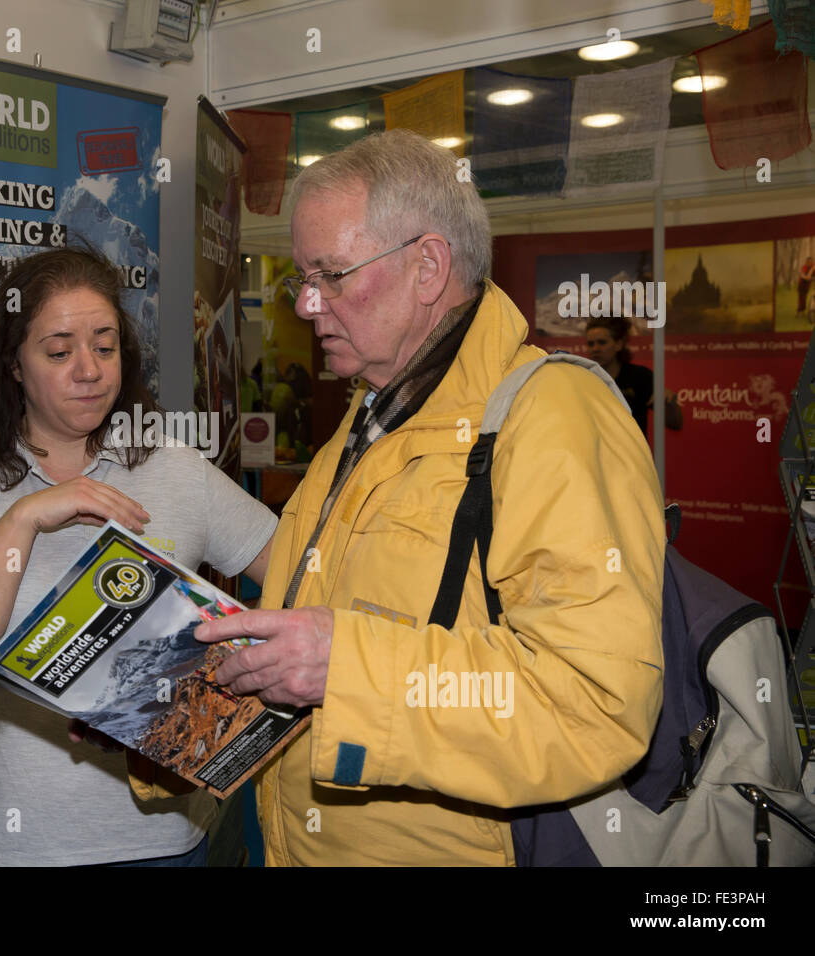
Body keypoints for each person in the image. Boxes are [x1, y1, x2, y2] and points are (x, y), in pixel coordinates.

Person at [187, 128, 666, 866]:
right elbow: (292, 659)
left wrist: (344, 667)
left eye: (333, 275)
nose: (309, 305)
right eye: (300, 279)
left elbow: (595, 703)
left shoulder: (554, 417)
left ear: (428, 266)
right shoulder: (366, 418)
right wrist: (164, 715)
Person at [0, 246, 276, 866]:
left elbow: (305, 576)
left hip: (159, 844)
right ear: (14, 364)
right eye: (59, 351)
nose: (89, 370)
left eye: (105, 348)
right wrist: (22, 518)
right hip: (0, 845)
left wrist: (220, 671)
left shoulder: (172, 464)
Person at [585, 315, 682, 435]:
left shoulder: (640, 376)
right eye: (590, 344)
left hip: (633, 452)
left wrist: (669, 404)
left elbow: (675, 424)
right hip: (594, 453)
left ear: (619, 344)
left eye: (602, 342)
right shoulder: (583, 378)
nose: (595, 349)